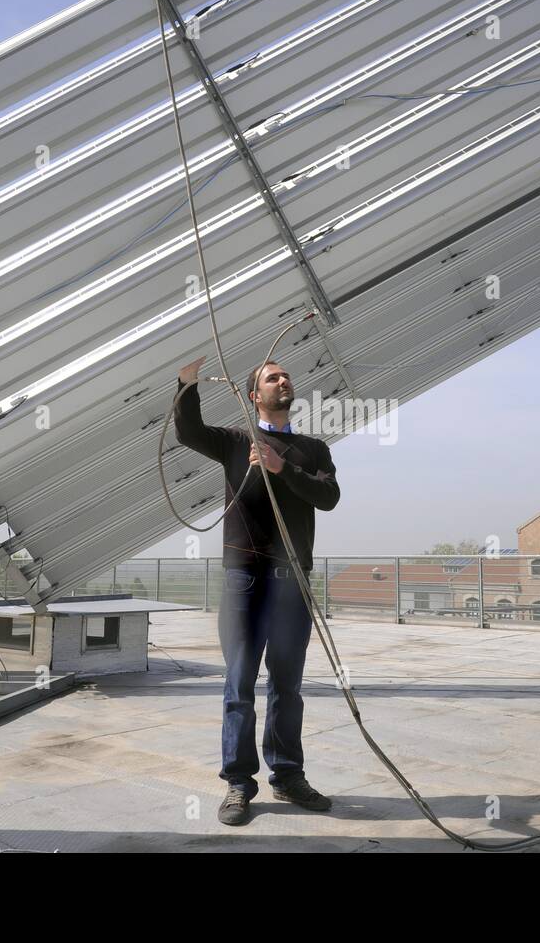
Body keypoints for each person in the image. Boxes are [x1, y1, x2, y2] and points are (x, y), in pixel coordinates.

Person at [175, 354, 341, 826]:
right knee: (240, 685)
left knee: (287, 687)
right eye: (273, 377)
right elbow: (188, 432)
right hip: (243, 582)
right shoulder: (234, 442)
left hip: (292, 584)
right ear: (255, 395)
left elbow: (328, 497)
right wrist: (186, 383)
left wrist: (279, 466)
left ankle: (288, 776)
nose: (283, 380)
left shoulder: (312, 449)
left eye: (286, 375)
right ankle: (238, 783)